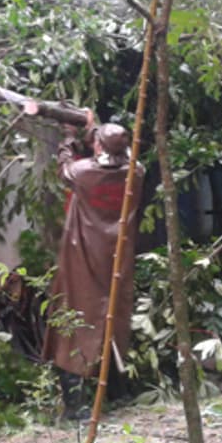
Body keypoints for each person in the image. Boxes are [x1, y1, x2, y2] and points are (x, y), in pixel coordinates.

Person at [42, 120, 144, 419]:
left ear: (98, 147)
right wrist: (98, 135)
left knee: (73, 324)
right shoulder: (136, 173)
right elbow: (118, 158)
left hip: (83, 257)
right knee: (113, 319)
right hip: (117, 259)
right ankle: (116, 390)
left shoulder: (84, 172)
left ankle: (75, 403)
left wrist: (69, 137)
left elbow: (64, 168)